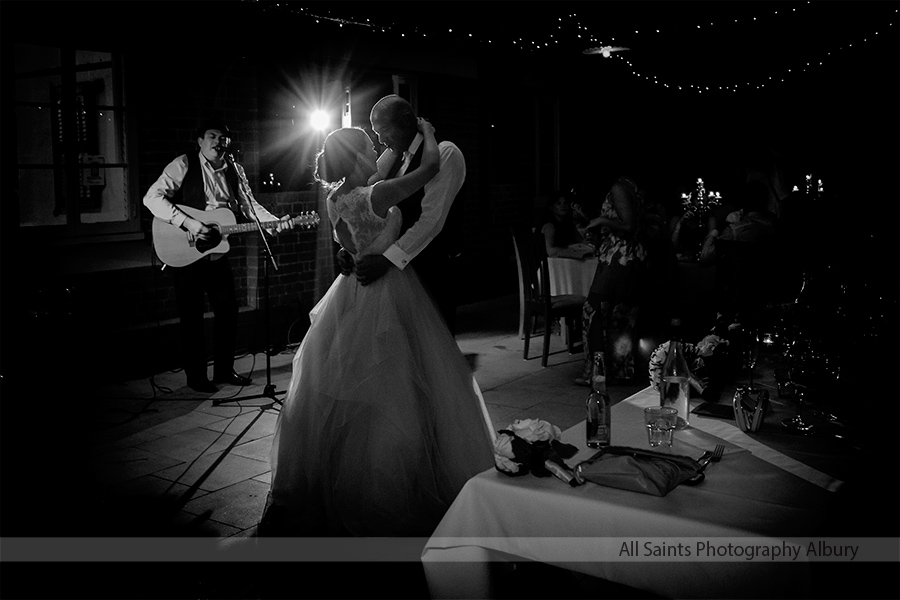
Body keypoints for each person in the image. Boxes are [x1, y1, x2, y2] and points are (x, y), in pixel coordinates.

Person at [264, 122, 494, 536]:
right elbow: (426, 172)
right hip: (387, 288)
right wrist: (427, 132)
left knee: (343, 383)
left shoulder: (335, 198)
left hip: (351, 289)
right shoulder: (378, 193)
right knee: (395, 380)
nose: (380, 153)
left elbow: (347, 241)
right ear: (358, 157)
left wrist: (347, 253)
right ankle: (392, 479)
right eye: (372, 147)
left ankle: (336, 472)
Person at [143, 120, 293, 393]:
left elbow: (249, 206)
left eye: (224, 137)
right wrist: (189, 223)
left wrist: (273, 223)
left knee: (228, 310)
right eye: (212, 136)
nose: (218, 142)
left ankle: (224, 370)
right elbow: (152, 198)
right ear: (200, 140)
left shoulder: (235, 170)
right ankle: (196, 376)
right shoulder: (184, 163)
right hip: (186, 250)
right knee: (192, 316)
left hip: (216, 254)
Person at [344, 95, 466, 334]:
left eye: (385, 129)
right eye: (376, 132)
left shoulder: (446, 153)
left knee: (432, 351)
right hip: (393, 281)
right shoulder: (394, 157)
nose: (380, 139)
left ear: (407, 121)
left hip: (431, 272)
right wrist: (349, 248)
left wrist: (388, 259)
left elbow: (431, 221)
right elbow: (364, 199)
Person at [577, 175, 649, 385]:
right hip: (632, 257)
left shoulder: (619, 187)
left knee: (594, 311)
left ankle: (596, 373)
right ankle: (620, 370)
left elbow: (628, 224)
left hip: (619, 258)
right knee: (622, 316)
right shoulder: (631, 185)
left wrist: (601, 221)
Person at [540, 190, 593, 259]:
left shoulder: (568, 224)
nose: (563, 206)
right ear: (551, 207)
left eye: (565, 203)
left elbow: (580, 241)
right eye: (558, 203)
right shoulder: (549, 226)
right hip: (552, 262)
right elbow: (550, 250)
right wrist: (569, 250)